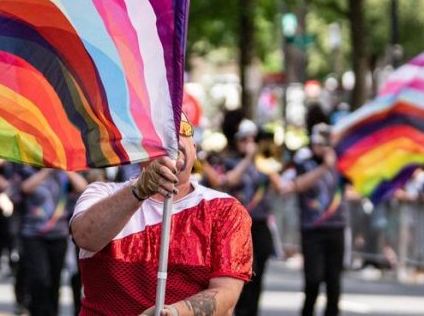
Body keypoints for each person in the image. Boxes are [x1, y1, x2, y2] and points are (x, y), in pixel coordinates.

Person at [70, 115, 252, 316]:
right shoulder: (101, 194)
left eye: (182, 130)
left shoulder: (225, 209)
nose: (173, 138)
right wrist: (139, 190)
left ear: (194, 145)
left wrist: (173, 313)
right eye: (159, 131)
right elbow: (85, 237)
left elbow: (226, 293)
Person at [200, 119, 282, 316]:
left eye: (252, 139)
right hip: (237, 226)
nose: (249, 142)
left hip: (260, 225)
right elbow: (227, 181)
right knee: (239, 277)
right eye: (244, 139)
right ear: (236, 141)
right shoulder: (228, 161)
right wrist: (248, 160)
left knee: (258, 276)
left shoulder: (264, 163)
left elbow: (280, 187)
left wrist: (264, 162)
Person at [283, 123, 347, 316]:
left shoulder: (340, 163)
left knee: (333, 281)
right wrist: (324, 167)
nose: (322, 147)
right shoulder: (305, 163)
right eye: (318, 143)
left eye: (325, 143)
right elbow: (298, 186)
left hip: (336, 226)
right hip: (312, 229)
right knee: (313, 280)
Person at [14, 166, 87, 316]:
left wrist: (65, 169)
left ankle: (52, 312)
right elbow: (25, 188)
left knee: (55, 280)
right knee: (40, 278)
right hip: (33, 234)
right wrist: (46, 171)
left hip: (58, 235)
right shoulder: (28, 171)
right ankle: (38, 311)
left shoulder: (63, 175)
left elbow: (83, 187)